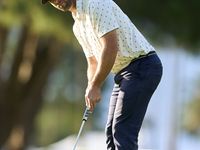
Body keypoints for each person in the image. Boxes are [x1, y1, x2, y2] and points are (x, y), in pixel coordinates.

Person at [41, 0, 163, 149]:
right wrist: (90, 87)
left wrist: (96, 85)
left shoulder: (95, 4)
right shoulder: (78, 26)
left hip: (142, 66)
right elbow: (93, 61)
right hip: (124, 73)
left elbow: (111, 48)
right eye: (51, 0)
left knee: (122, 132)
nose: (56, 1)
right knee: (111, 134)